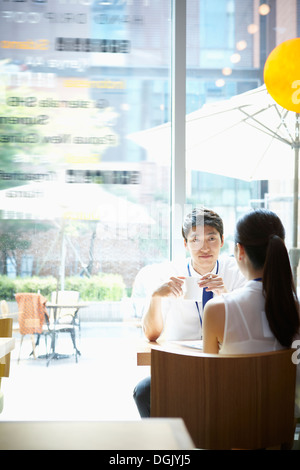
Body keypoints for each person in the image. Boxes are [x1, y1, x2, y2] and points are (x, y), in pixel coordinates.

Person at [133, 207, 246, 417]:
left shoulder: (236, 271)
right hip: (182, 364)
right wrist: (156, 297)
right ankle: (165, 446)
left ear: (222, 241)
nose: (204, 247)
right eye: (195, 239)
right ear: (185, 244)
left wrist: (225, 293)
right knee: (144, 392)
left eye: (211, 238)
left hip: (227, 364)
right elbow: (150, 335)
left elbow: (247, 327)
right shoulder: (170, 274)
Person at [202, 208, 300, 418]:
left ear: (240, 251)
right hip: (281, 428)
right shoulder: (295, 307)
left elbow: (208, 381)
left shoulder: (217, 309)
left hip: (231, 431)